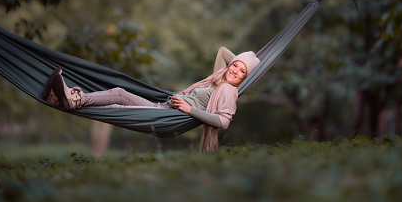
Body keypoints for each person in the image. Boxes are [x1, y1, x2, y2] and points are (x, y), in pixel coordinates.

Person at [41, 47, 260, 152]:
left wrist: (188, 109)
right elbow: (222, 51)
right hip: (164, 107)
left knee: (119, 93)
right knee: (116, 104)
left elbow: (223, 122)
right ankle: (60, 98)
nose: (235, 71)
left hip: (170, 116)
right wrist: (243, 60)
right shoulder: (217, 79)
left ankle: (72, 98)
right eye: (235, 66)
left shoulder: (229, 91)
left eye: (242, 72)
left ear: (244, 79)